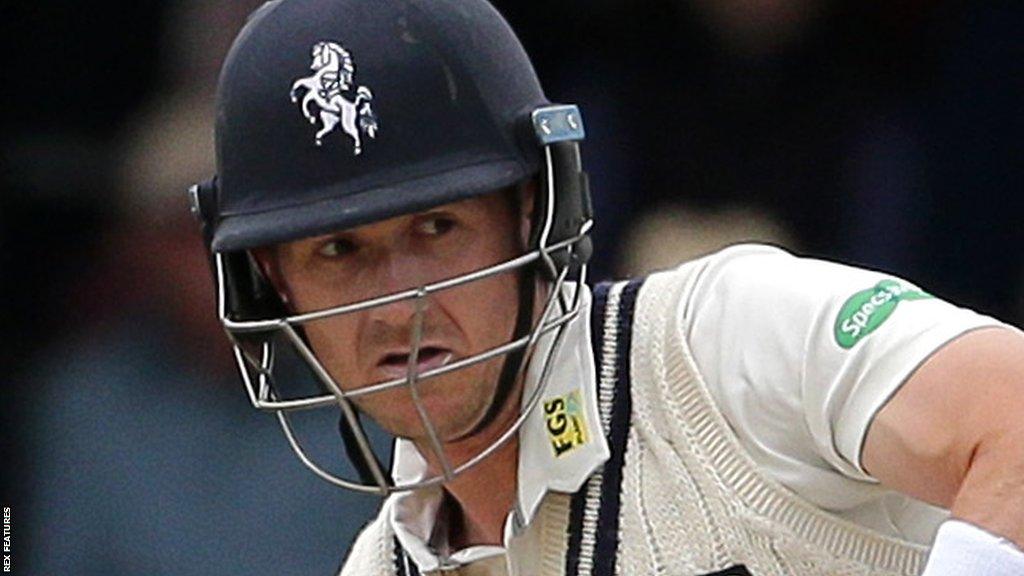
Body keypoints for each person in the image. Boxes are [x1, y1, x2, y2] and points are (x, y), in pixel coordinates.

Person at [189, 0, 1024, 574]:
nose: (398, 301)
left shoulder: (719, 343)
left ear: (532, 214)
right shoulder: (379, 565)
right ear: (273, 285)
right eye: (338, 251)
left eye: (437, 230)